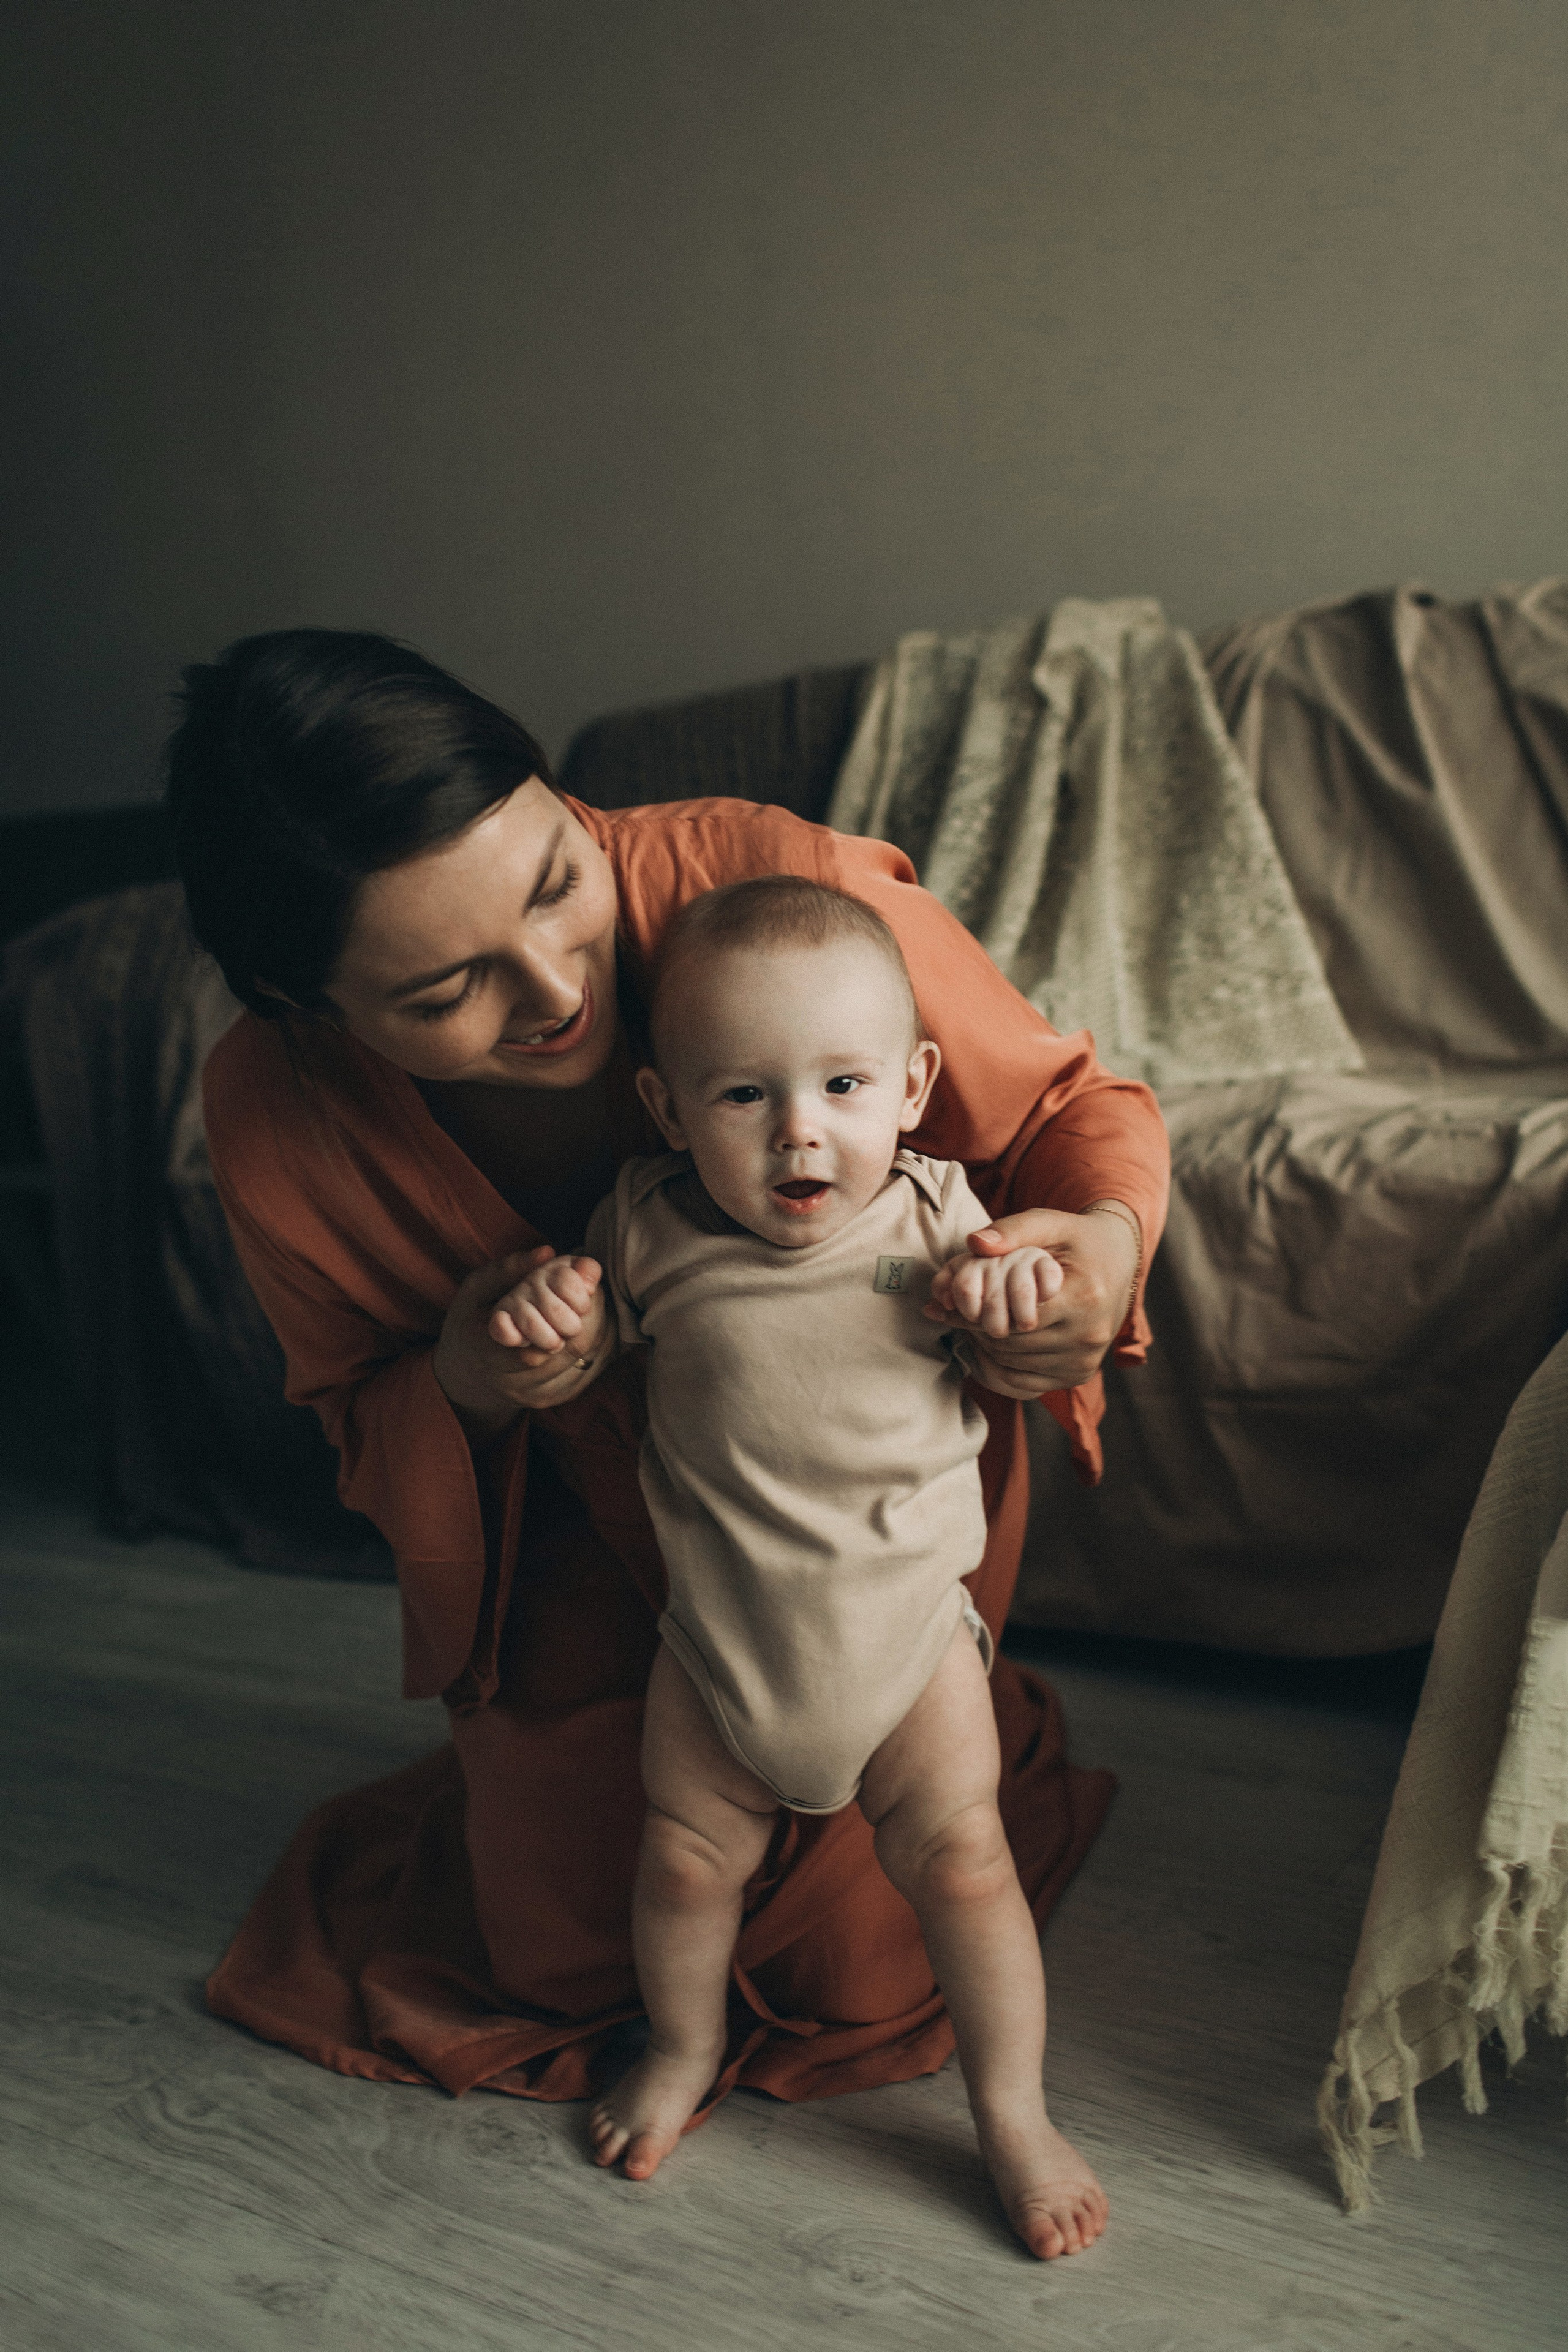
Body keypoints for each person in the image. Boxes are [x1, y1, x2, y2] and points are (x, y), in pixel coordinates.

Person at [169, 628, 1167, 2211]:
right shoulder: (276, 1108)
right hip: (592, 1537)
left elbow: (1068, 1121)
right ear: (311, 1005)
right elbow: (360, 1401)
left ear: (564, 795)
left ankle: (1008, 2095)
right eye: (444, 990)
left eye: (557, 880)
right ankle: (672, 2026)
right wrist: (483, 1374)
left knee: (868, 1958)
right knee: (571, 1953)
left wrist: (1089, 1260)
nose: (560, 990)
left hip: (863, 1555)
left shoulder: (771, 889)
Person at [504, 873, 1108, 2257]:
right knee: (679, 1863)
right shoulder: (646, 1229)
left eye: (841, 1084)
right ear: (665, 1110)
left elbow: (1031, 1319)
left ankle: (1011, 2112)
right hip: (716, 1650)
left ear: (911, 1085)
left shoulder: (938, 1225)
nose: (798, 1132)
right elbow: (580, 1369)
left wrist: (1012, 1291)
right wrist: (549, 1331)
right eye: (741, 1097)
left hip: (906, 1650)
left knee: (964, 1869)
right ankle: (680, 2046)